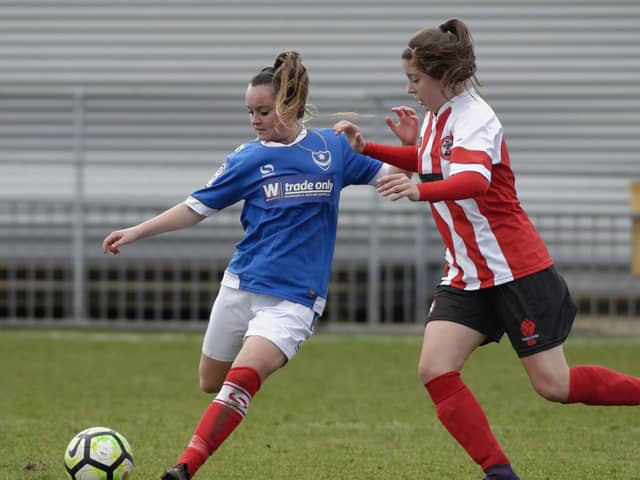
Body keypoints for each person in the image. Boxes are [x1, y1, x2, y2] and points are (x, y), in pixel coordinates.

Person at [334, 18, 640, 480]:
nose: (411, 88)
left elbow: (474, 179)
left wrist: (419, 192)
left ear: (441, 76)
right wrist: (370, 149)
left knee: (554, 386)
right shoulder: (441, 116)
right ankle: (499, 473)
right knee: (436, 368)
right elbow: (430, 160)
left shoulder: (477, 117)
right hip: (466, 274)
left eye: (415, 79)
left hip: (516, 270)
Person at [102, 51, 401, 480]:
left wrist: (411, 149)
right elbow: (194, 207)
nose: (255, 120)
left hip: (295, 299)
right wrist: (136, 231)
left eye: (263, 111)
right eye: (250, 111)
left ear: (291, 106)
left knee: (239, 380)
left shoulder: (331, 149)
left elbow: (391, 172)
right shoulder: (247, 158)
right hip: (241, 285)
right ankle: (233, 393)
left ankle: (184, 468)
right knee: (210, 380)